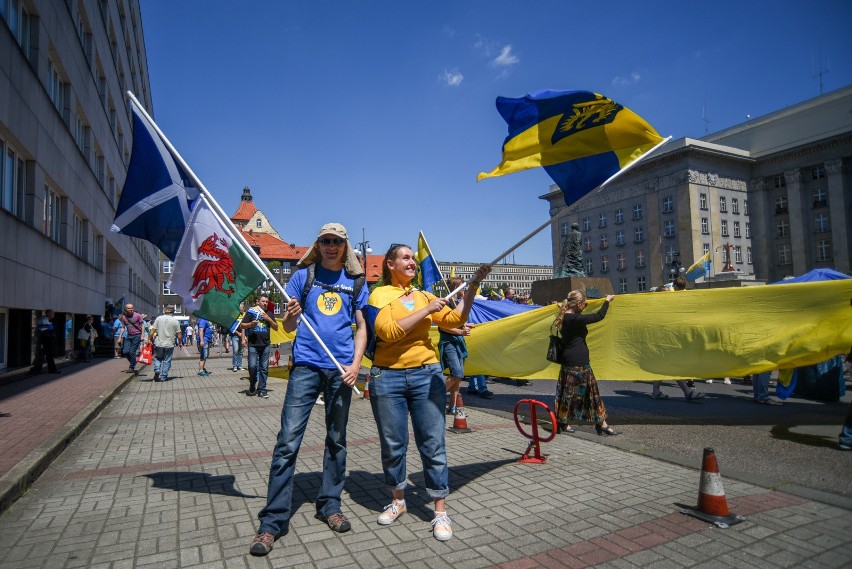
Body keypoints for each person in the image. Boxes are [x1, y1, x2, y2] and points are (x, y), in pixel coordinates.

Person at [249, 223, 368, 557]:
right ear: (319, 244)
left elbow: (361, 327)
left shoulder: (357, 281)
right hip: (306, 366)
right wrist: (290, 316)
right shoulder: (304, 276)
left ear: (345, 246)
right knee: (288, 441)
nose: (331, 246)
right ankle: (272, 522)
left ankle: (329, 504)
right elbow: (288, 327)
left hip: (341, 369)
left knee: (337, 438)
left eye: (337, 242)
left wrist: (356, 365)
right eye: (325, 241)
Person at [367, 243, 490, 542]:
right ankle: (398, 500)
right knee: (393, 444)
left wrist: (472, 287)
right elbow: (388, 332)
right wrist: (427, 310)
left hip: (426, 375)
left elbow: (455, 320)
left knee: (433, 444)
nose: (412, 262)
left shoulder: (424, 294)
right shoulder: (379, 295)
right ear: (390, 265)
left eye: (413, 258)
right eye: (405, 258)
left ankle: (440, 512)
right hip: (387, 378)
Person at [554, 290, 619, 436]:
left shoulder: (567, 316)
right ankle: (563, 423)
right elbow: (598, 316)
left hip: (578, 361)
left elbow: (575, 313)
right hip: (574, 362)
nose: (585, 306)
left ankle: (602, 423)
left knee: (591, 394)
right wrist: (607, 301)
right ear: (578, 304)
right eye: (584, 303)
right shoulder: (573, 319)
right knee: (570, 395)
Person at [650, 278, 706, 401]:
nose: (669, 296)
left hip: (666, 342)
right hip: (662, 343)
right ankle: (687, 392)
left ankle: (656, 392)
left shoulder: (665, 308)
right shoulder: (658, 310)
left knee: (662, 367)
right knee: (673, 366)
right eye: (666, 294)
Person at [438, 277, 474, 414]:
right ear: (455, 287)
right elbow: (443, 326)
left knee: (458, 377)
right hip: (449, 342)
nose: (463, 288)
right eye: (461, 286)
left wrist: (465, 325)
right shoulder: (446, 302)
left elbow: (455, 321)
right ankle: (434, 397)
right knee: (457, 373)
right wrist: (461, 331)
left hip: (458, 341)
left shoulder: (455, 302)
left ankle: (452, 406)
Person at [241, 295, 279, 399]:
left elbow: (276, 327)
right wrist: (250, 324)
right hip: (253, 344)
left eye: (267, 301)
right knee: (252, 366)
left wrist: (268, 319)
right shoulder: (251, 312)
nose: (265, 303)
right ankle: (253, 383)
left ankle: (262, 389)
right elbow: (242, 325)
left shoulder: (269, 314)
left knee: (264, 369)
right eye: (263, 301)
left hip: (265, 345)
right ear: (258, 302)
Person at [150, 305, 183, 382]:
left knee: (158, 357)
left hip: (159, 342)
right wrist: (180, 343)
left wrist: (150, 339)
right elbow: (179, 334)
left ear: (164, 311)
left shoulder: (158, 318)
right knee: (167, 360)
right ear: (173, 312)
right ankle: (163, 376)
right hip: (169, 343)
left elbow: (152, 331)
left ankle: (157, 369)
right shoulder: (175, 321)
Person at [31, 309, 60, 374]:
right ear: (48, 313)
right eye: (52, 313)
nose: (54, 314)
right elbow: (42, 331)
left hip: (48, 342)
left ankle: (51, 369)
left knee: (48, 356)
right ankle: (38, 369)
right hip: (44, 342)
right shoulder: (43, 320)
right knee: (42, 355)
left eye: (54, 313)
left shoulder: (49, 321)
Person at [119, 303, 145, 374]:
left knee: (132, 352)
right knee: (125, 352)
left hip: (137, 335)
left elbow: (142, 326)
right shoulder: (124, 317)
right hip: (129, 336)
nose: (131, 310)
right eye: (129, 308)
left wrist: (142, 335)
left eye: (132, 308)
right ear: (126, 309)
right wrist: (120, 337)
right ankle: (133, 362)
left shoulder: (138, 316)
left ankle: (132, 367)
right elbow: (123, 327)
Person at [231, 302, 247, 372]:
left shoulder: (245, 315)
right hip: (235, 336)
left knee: (241, 351)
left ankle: (239, 366)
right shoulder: (234, 315)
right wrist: (238, 333)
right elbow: (231, 327)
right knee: (236, 350)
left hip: (243, 336)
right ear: (239, 308)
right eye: (243, 307)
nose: (244, 308)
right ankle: (234, 366)